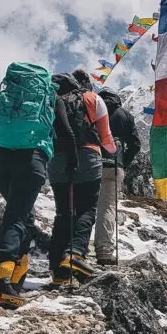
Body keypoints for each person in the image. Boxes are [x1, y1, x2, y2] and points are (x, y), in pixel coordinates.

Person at [0, 62, 56, 309]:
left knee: (25, 216)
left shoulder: (5, 95)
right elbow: (62, 130)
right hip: (30, 158)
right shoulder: (48, 98)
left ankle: (15, 277)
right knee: (16, 216)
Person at [48, 70, 116, 283]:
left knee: (63, 212)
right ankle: (75, 253)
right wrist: (113, 152)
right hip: (87, 156)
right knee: (86, 208)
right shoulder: (92, 99)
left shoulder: (50, 100)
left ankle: (58, 271)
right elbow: (105, 137)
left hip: (57, 159)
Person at [94, 87, 141, 265]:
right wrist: (124, 162)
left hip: (91, 162)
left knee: (85, 205)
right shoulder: (126, 115)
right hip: (114, 166)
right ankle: (104, 251)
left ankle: (75, 250)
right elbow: (136, 144)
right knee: (107, 207)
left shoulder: (93, 109)